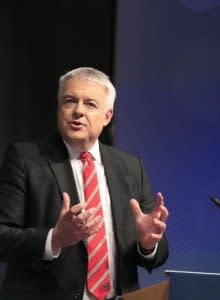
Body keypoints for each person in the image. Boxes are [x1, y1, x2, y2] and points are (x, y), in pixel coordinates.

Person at [0, 67, 169, 299]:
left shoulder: (130, 167)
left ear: (107, 116)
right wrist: (54, 239)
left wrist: (148, 244)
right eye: (70, 101)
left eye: (90, 104)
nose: (78, 111)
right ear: (59, 108)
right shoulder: (25, 159)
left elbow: (157, 255)